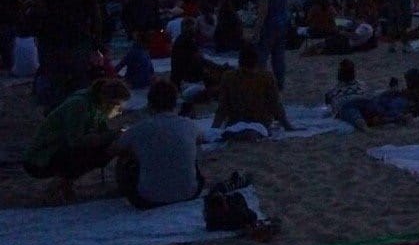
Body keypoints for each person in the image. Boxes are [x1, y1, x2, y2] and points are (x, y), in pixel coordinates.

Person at [23, 78, 131, 203]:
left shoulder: (95, 104)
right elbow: (76, 141)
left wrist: (115, 134)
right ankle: (58, 186)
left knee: (109, 148)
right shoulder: (79, 104)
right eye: (115, 103)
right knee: (93, 153)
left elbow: (103, 133)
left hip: (59, 150)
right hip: (42, 158)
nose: (117, 108)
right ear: (105, 97)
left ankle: (65, 184)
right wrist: (112, 135)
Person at [112, 78, 205, 209]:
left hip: (148, 199)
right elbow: (201, 138)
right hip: (189, 193)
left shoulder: (139, 128)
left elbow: (116, 149)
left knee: (125, 159)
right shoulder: (188, 124)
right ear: (174, 103)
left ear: (150, 104)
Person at [212, 43, 294, 138]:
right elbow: (275, 105)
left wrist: (214, 129)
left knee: (239, 130)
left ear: (239, 61)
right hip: (260, 123)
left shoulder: (229, 77)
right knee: (253, 131)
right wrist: (287, 125)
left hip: (235, 122)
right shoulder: (266, 77)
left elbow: (222, 108)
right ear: (257, 61)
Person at [254, 0, 291, 90]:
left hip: (269, 25)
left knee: (262, 55)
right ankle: (279, 83)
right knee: (279, 56)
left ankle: (261, 82)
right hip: (282, 25)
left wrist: (257, 30)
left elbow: (262, 11)